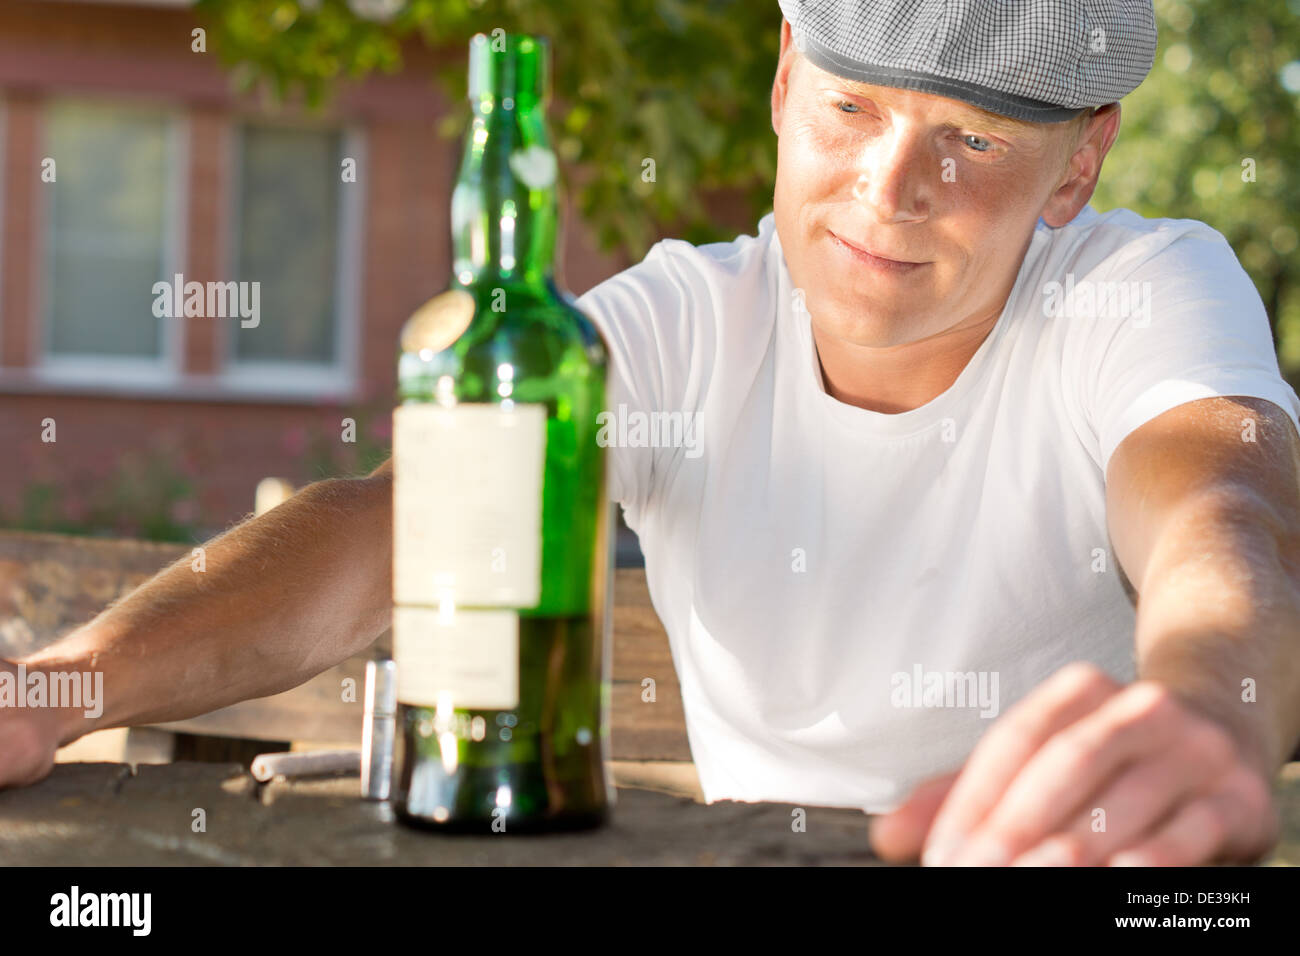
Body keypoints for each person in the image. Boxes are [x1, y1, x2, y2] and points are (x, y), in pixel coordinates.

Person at [5, 0, 1299, 866]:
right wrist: (58, 690)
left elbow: (1222, 511)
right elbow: (396, 531)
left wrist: (1211, 704)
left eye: (971, 139)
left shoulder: (1144, 289)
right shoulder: (685, 320)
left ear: (1076, 168)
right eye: (852, 110)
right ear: (788, 82)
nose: (891, 191)